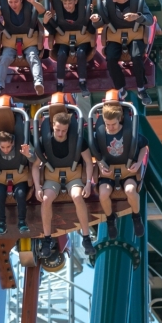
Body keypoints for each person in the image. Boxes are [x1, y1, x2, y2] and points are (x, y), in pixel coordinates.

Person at [32, 107, 95, 257]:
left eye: (64, 131)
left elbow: (88, 162)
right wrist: (37, 187)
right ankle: (47, 239)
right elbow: (35, 166)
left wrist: (88, 183)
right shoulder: (44, 141)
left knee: (77, 196)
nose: (60, 133)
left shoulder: (78, 140)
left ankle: (86, 238)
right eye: (58, 130)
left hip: (73, 175)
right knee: (45, 199)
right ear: (53, 126)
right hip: (52, 175)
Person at [92, 0, 153, 105]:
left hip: (134, 34)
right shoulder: (106, 4)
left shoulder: (136, 2)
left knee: (136, 56)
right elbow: (101, 23)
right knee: (110, 58)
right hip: (115, 35)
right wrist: (96, 21)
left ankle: (141, 88)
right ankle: (120, 87)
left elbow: (149, 20)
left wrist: (137, 17)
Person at [93, 100, 148, 238]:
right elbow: (95, 153)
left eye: (114, 124)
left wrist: (138, 163)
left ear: (119, 120)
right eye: (107, 124)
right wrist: (100, 164)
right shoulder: (100, 134)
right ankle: (110, 219)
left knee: (130, 190)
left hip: (127, 169)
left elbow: (144, 147)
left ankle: (136, 216)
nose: (110, 127)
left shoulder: (128, 132)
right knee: (103, 194)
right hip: (109, 170)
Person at [0, 0, 46, 97]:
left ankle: (38, 82)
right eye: (10, 2)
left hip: (29, 40)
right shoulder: (5, 9)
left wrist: (33, 2)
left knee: (32, 56)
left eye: (16, 1)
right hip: (10, 41)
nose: (13, 5)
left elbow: (42, 11)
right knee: (5, 58)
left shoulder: (29, 6)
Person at [43, 0, 97, 96]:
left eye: (70, 3)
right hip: (64, 40)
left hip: (82, 39)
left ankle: (82, 81)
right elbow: (53, 31)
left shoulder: (82, 12)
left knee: (81, 52)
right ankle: (60, 83)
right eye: (65, 3)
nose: (67, 6)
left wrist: (91, 19)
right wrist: (45, 22)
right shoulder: (60, 14)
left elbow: (91, 30)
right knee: (61, 54)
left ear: (76, 1)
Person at [0, 131, 33, 236]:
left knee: (20, 193)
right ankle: (1, 223)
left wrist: (28, 154)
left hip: (19, 177)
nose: (6, 150)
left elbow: (34, 158)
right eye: (2, 147)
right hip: (1, 178)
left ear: (12, 143)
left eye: (8, 147)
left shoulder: (20, 148)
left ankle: (22, 221)